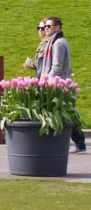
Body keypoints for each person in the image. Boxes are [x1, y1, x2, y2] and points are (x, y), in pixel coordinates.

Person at [37, 17, 87, 153]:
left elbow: (57, 67)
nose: (45, 29)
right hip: (58, 82)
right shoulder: (53, 41)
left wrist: (47, 81)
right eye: (43, 26)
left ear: (58, 27)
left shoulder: (58, 43)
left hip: (58, 84)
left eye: (49, 26)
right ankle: (79, 143)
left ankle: (79, 143)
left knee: (66, 113)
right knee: (65, 113)